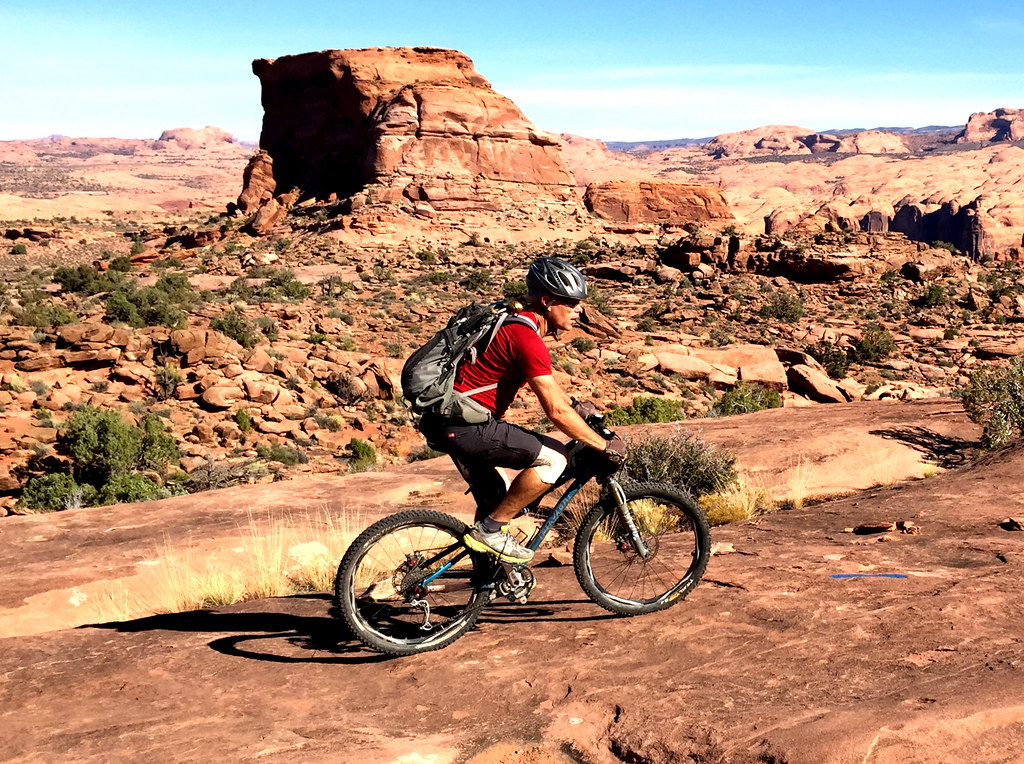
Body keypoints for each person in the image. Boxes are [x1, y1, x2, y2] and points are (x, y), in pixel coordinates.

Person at [418, 256, 627, 564]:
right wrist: (603, 446)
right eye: (571, 303)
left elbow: (550, 389)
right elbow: (554, 411)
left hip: (446, 420)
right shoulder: (526, 338)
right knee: (555, 458)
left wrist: (578, 408)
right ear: (547, 301)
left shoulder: (511, 319)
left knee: (497, 496)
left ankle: (484, 576)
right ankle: (490, 533)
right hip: (467, 426)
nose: (579, 309)